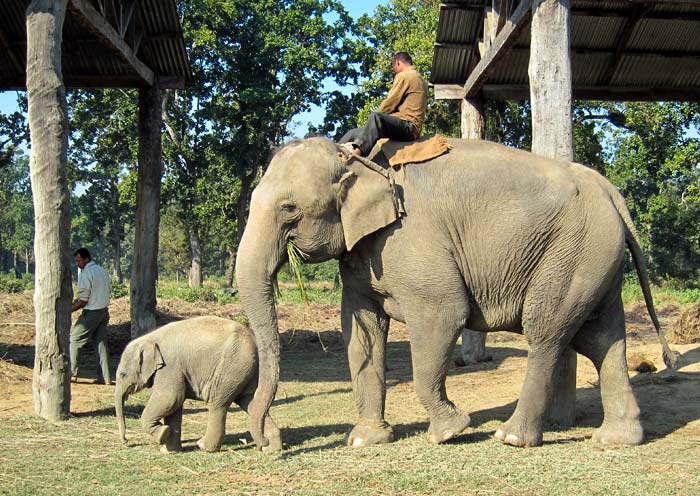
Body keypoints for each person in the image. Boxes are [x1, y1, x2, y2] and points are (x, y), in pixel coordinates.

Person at [340, 52, 428, 157]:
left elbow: (390, 103)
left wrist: (371, 125)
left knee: (376, 118)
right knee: (353, 133)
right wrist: (367, 130)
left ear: (398, 63)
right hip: (407, 125)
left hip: (409, 127)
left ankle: (356, 155)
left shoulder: (405, 76)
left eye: (393, 67)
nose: (394, 71)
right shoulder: (420, 78)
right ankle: (336, 153)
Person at [70, 248, 112, 385]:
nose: (77, 263)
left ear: (86, 259)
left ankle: (72, 373)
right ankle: (105, 377)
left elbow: (83, 300)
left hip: (92, 312)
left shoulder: (86, 273)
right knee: (101, 344)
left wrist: (68, 310)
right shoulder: (102, 271)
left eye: (78, 260)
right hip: (104, 312)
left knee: (75, 339)